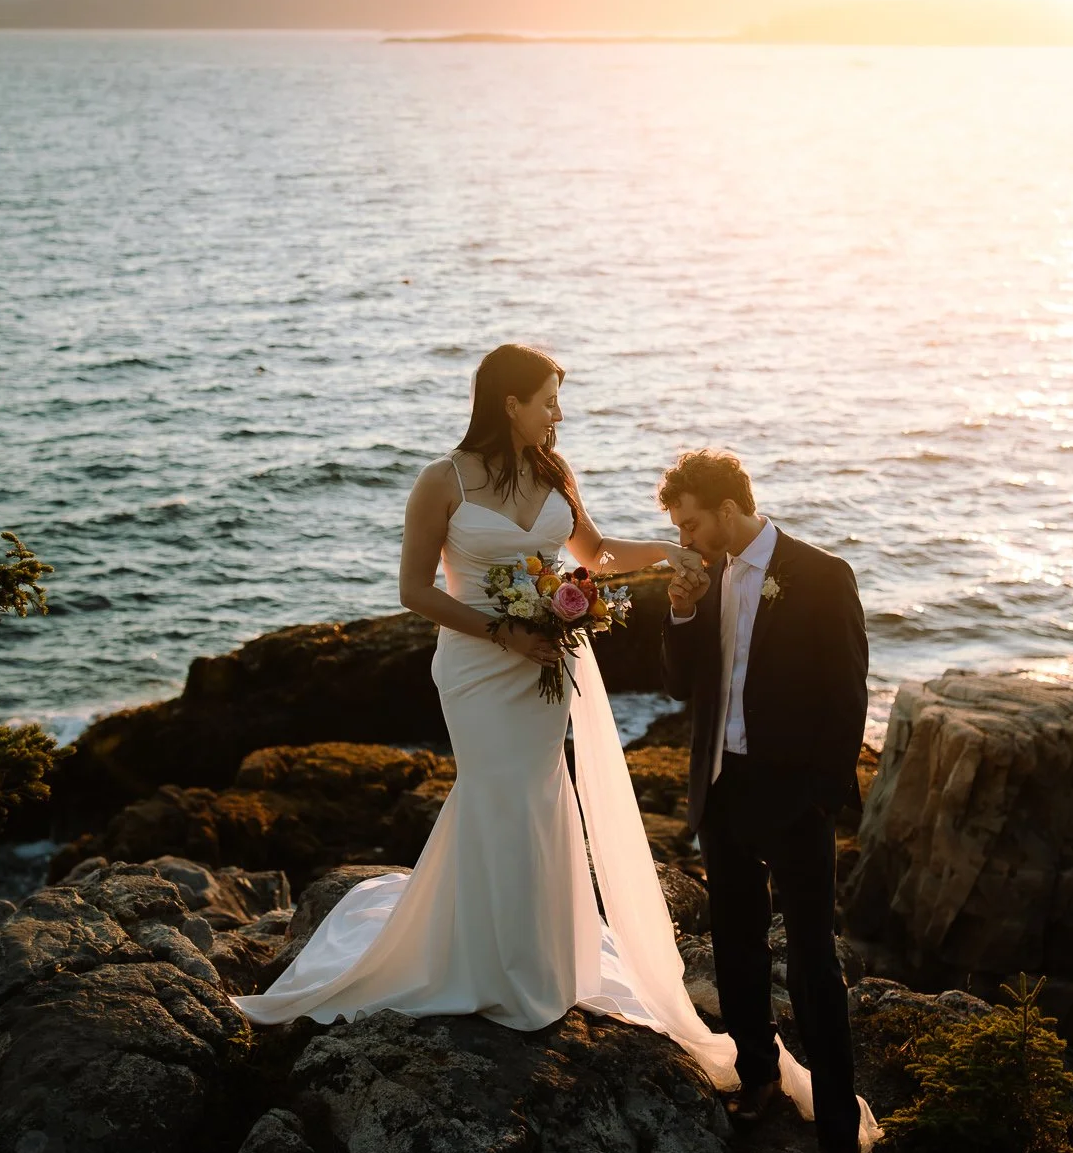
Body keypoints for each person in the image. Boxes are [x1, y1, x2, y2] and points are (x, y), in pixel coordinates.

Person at [233, 344, 738, 1087]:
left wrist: (665, 551)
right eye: (547, 400)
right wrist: (504, 631)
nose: (557, 414)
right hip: (478, 666)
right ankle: (484, 965)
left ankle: (536, 960)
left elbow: (591, 554)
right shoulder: (441, 481)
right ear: (509, 402)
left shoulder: (551, 472)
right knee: (496, 795)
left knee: (537, 798)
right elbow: (414, 590)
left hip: (547, 666)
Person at [661, 447, 875, 1153]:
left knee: (816, 963)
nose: (684, 540)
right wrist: (682, 611)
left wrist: (820, 798)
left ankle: (839, 1141)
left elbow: (848, 696)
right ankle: (756, 1076)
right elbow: (683, 686)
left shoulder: (822, 575)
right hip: (722, 788)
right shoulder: (704, 574)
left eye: (690, 524)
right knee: (736, 940)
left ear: (726, 507)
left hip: (795, 798)